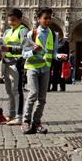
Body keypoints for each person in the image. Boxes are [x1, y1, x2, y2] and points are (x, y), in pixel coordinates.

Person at [22, 7, 56, 135]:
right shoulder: (31, 34)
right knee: (33, 93)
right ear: (38, 19)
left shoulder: (53, 34)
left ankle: (36, 122)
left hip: (46, 68)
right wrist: (32, 51)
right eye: (45, 18)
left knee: (42, 98)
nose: (48, 20)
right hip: (33, 68)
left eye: (49, 18)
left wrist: (59, 56)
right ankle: (26, 121)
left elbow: (53, 52)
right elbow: (24, 54)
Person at [2, 8, 28, 125]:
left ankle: (19, 116)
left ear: (20, 20)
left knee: (16, 90)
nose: (11, 22)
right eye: (9, 20)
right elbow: (2, 44)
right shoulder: (7, 31)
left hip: (16, 62)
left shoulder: (23, 30)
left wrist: (10, 48)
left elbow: (25, 47)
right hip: (6, 61)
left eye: (13, 20)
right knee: (8, 90)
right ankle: (11, 114)